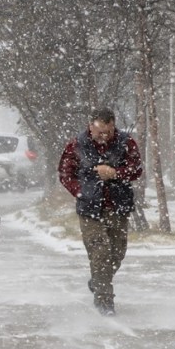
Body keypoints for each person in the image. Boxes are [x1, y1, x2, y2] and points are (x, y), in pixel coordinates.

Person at [57, 107, 143, 316]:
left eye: (108, 132)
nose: (104, 136)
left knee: (117, 252)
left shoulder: (125, 142)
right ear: (91, 127)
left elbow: (136, 169)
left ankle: (97, 281)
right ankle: (105, 301)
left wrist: (115, 173)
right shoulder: (76, 145)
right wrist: (82, 192)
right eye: (99, 132)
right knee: (100, 252)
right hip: (89, 208)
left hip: (118, 205)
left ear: (114, 126)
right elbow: (65, 173)